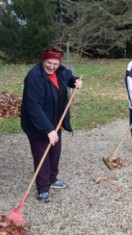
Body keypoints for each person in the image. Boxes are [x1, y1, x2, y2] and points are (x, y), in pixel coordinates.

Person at [21, 45, 83, 203]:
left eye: (55, 63)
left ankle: (52, 179)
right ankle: (43, 189)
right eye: (49, 62)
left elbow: (69, 78)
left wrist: (76, 81)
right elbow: (33, 107)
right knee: (42, 155)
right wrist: (48, 129)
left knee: (55, 153)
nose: (52, 66)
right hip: (38, 125)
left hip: (56, 121)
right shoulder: (34, 76)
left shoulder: (60, 71)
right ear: (43, 60)